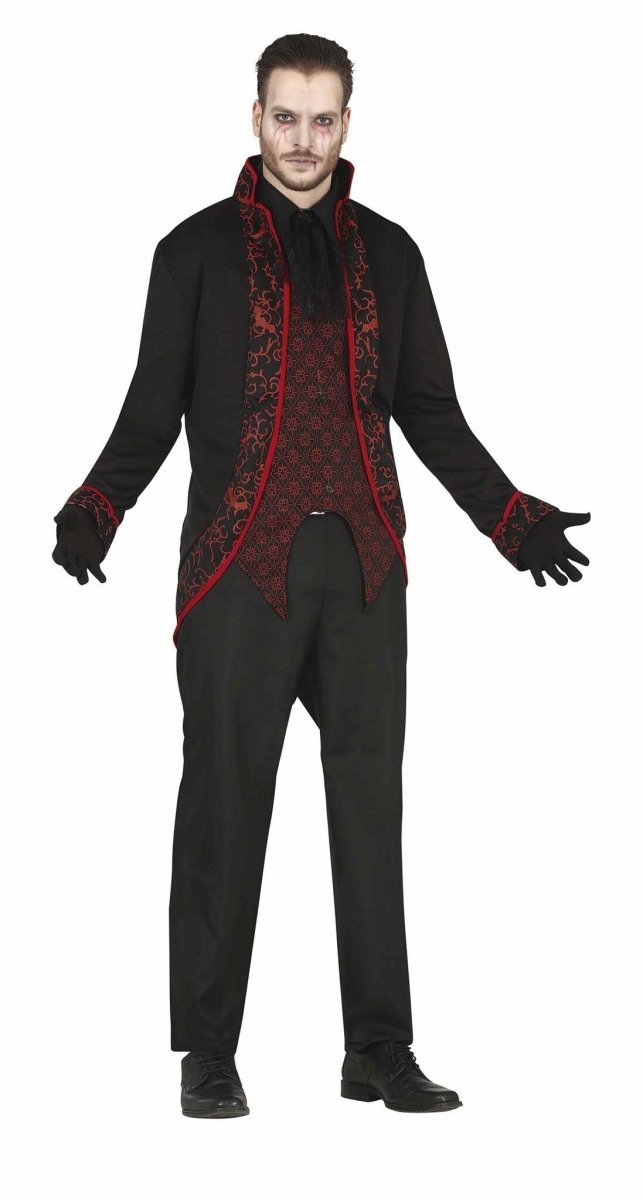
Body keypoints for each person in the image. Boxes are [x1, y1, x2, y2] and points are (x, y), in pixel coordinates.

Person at [52, 33, 591, 1119]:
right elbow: (152, 408)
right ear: (254, 117)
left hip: (364, 571)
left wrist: (511, 517)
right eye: (286, 116)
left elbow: (429, 411)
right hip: (233, 571)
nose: (303, 139)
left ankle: (378, 1049)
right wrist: (95, 507)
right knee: (222, 806)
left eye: (323, 118)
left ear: (348, 124)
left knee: (368, 810)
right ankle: (209, 1053)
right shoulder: (192, 252)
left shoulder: (391, 252)